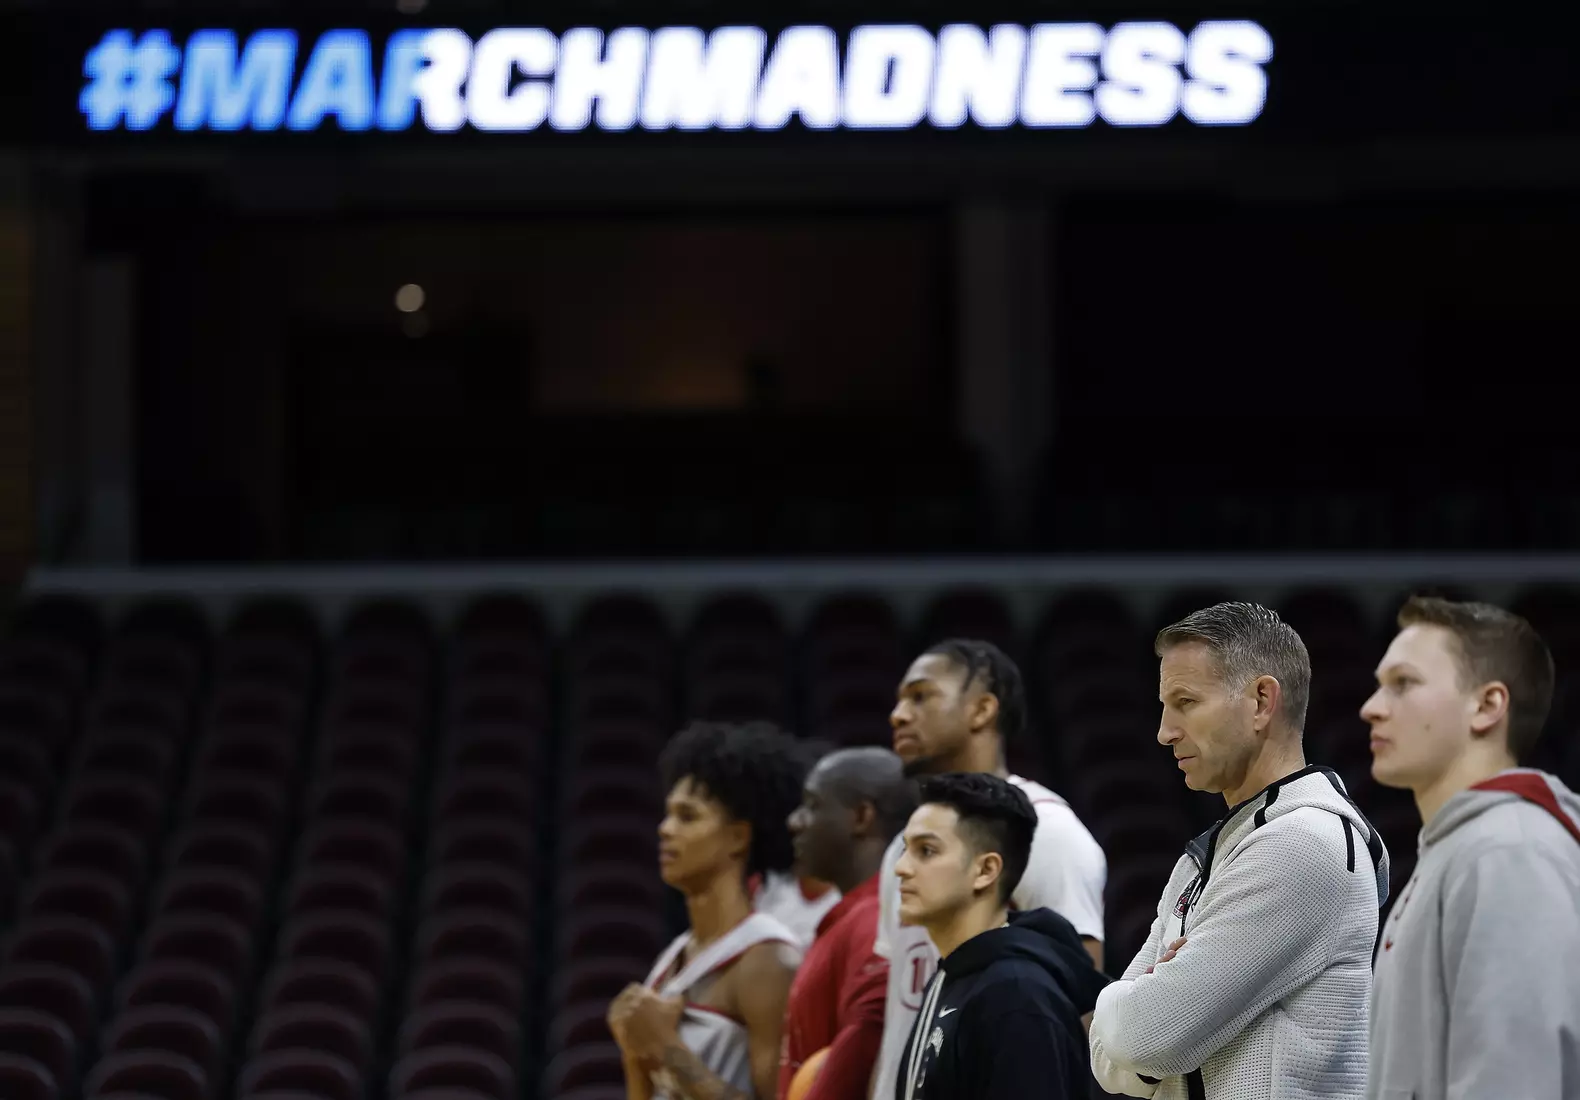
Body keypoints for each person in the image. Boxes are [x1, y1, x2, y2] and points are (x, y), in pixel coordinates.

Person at [1089, 602, 1389, 1100]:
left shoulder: (1302, 844)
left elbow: (1142, 1037)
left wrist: (1143, 1011)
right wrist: (1144, 1019)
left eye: (1185, 702)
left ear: (1260, 701)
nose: (1164, 732)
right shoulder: (1207, 857)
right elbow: (1105, 1055)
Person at [1361, 596, 1580, 1100]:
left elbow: (1515, 1084)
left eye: (1403, 684)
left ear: (1486, 706)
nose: (1371, 707)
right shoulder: (1467, 849)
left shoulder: (1508, 853)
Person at [871, 639, 1106, 1100]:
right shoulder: (904, 843)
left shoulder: (1051, 832)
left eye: (920, 696)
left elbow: (1079, 1012)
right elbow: (893, 1017)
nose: (897, 715)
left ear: (981, 710)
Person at [609, 721, 808, 1100]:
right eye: (667, 814)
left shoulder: (769, 959)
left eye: (687, 816)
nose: (665, 829)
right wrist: (636, 1054)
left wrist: (667, 1049)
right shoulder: (672, 958)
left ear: (738, 837)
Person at [892, 772, 1109, 1100]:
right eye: (906, 849)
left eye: (926, 851)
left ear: (985, 870)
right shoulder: (951, 974)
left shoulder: (1019, 997)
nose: (901, 867)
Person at [779, 747, 918, 1100]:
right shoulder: (853, 914)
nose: (794, 821)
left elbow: (870, 1031)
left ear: (861, 816)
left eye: (812, 805)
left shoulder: (872, 917)